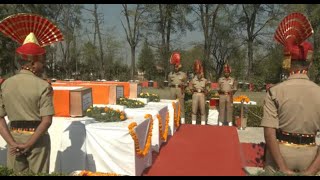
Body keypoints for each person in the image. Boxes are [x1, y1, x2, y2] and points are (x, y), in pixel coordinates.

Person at [0, 13, 64, 173]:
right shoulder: (43, 86)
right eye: (42, 61)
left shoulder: (5, 84)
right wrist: (29, 144)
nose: (43, 65)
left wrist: (12, 143)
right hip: (37, 140)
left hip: (13, 137)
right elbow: (47, 120)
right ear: (33, 63)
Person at [261, 12, 320, 175]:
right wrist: (312, 171)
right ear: (309, 62)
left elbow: (269, 133)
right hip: (310, 153)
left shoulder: (275, 92)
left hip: (281, 152)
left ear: (287, 62)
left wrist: (283, 168)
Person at [168, 52, 187, 124]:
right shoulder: (170, 74)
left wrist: (183, 86)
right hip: (172, 89)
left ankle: (182, 121)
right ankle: (172, 120)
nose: (176, 67)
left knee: (181, 105)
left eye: (177, 66)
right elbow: (169, 83)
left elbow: (185, 83)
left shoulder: (183, 74)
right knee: (172, 104)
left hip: (180, 89)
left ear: (179, 66)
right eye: (175, 66)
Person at [189, 60, 210, 125]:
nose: (199, 74)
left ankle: (203, 124)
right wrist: (192, 92)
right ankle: (193, 123)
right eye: (198, 73)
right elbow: (189, 87)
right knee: (194, 110)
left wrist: (206, 92)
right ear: (196, 72)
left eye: (200, 73)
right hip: (195, 95)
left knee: (203, 110)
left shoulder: (205, 80)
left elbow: (208, 88)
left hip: (202, 95)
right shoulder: (193, 80)